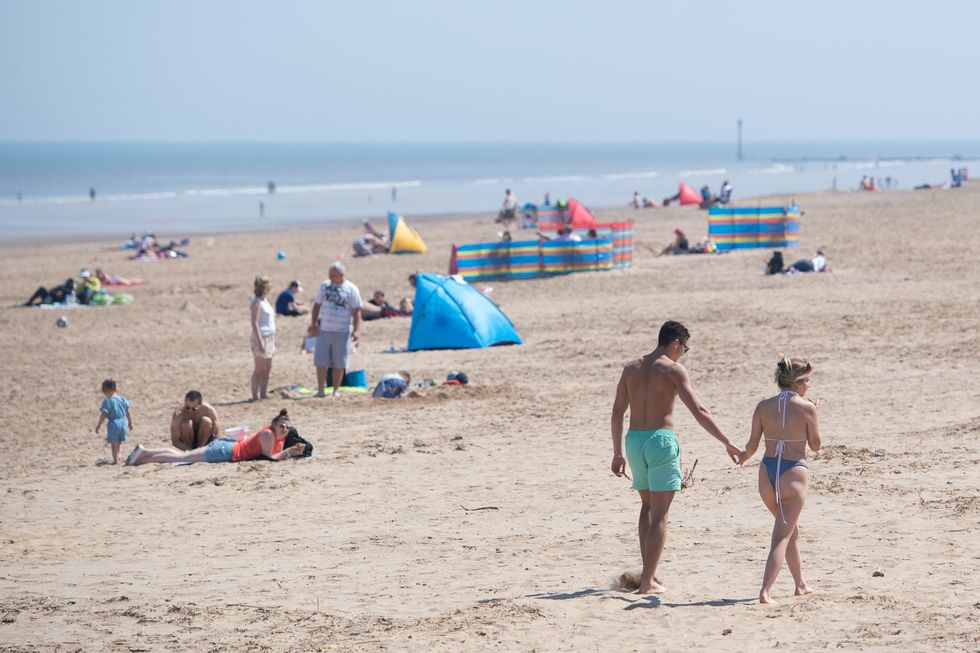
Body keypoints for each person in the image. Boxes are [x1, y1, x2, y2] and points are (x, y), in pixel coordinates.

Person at [610, 321, 740, 594]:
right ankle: (647, 583)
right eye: (685, 348)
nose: (684, 353)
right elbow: (699, 410)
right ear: (675, 343)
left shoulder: (631, 368)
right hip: (660, 440)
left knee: (647, 507)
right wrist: (727, 441)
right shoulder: (673, 369)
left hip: (633, 441)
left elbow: (617, 412)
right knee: (660, 514)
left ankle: (648, 576)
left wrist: (617, 453)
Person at [737, 356, 821, 604]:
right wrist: (814, 412)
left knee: (789, 529)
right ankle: (765, 591)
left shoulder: (763, 406)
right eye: (806, 381)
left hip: (767, 472)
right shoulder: (807, 407)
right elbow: (816, 446)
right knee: (781, 536)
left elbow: (751, 446)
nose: (809, 385)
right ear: (797, 382)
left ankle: (800, 584)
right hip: (793, 472)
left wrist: (740, 456)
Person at [126, 409, 306, 466]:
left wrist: (291, 451)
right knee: (182, 458)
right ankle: (139, 461)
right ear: (273, 424)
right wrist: (290, 451)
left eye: (287, 428)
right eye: (281, 426)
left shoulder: (278, 436)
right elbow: (270, 459)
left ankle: (145, 452)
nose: (284, 429)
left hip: (226, 447)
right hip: (225, 451)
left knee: (185, 456)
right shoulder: (268, 434)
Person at [309, 262, 362, 397]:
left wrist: (356, 330)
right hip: (325, 329)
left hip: (342, 330)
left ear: (341, 275)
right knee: (321, 360)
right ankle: (320, 390)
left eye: (333, 275)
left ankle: (336, 390)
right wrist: (314, 325)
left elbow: (357, 311)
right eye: (329, 274)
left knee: (340, 361)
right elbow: (316, 306)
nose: (330, 277)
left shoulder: (351, 289)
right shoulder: (324, 286)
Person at [250, 276, 276, 401]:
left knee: (267, 368)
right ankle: (255, 395)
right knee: (259, 368)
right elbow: (254, 322)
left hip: (270, 336)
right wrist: (260, 341)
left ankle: (263, 394)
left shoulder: (265, 301)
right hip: (261, 336)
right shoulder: (256, 303)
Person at [95, 378, 132, 464]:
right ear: (115, 389)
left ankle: (115, 460)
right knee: (119, 441)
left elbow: (103, 414)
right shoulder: (122, 399)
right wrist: (130, 422)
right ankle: (118, 457)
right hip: (123, 422)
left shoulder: (107, 401)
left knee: (114, 443)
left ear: (104, 391)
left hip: (114, 423)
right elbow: (128, 412)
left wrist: (99, 425)